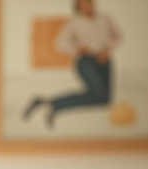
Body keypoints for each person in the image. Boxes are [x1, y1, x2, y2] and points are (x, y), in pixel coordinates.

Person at [22, 0, 121, 128]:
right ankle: (53, 106)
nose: (87, 7)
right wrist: (78, 49)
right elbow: (59, 43)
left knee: (104, 100)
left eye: (89, 3)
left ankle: (45, 102)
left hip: (105, 61)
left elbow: (118, 36)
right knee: (98, 94)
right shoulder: (74, 23)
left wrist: (107, 50)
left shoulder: (105, 18)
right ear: (78, 8)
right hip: (86, 61)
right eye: (83, 5)